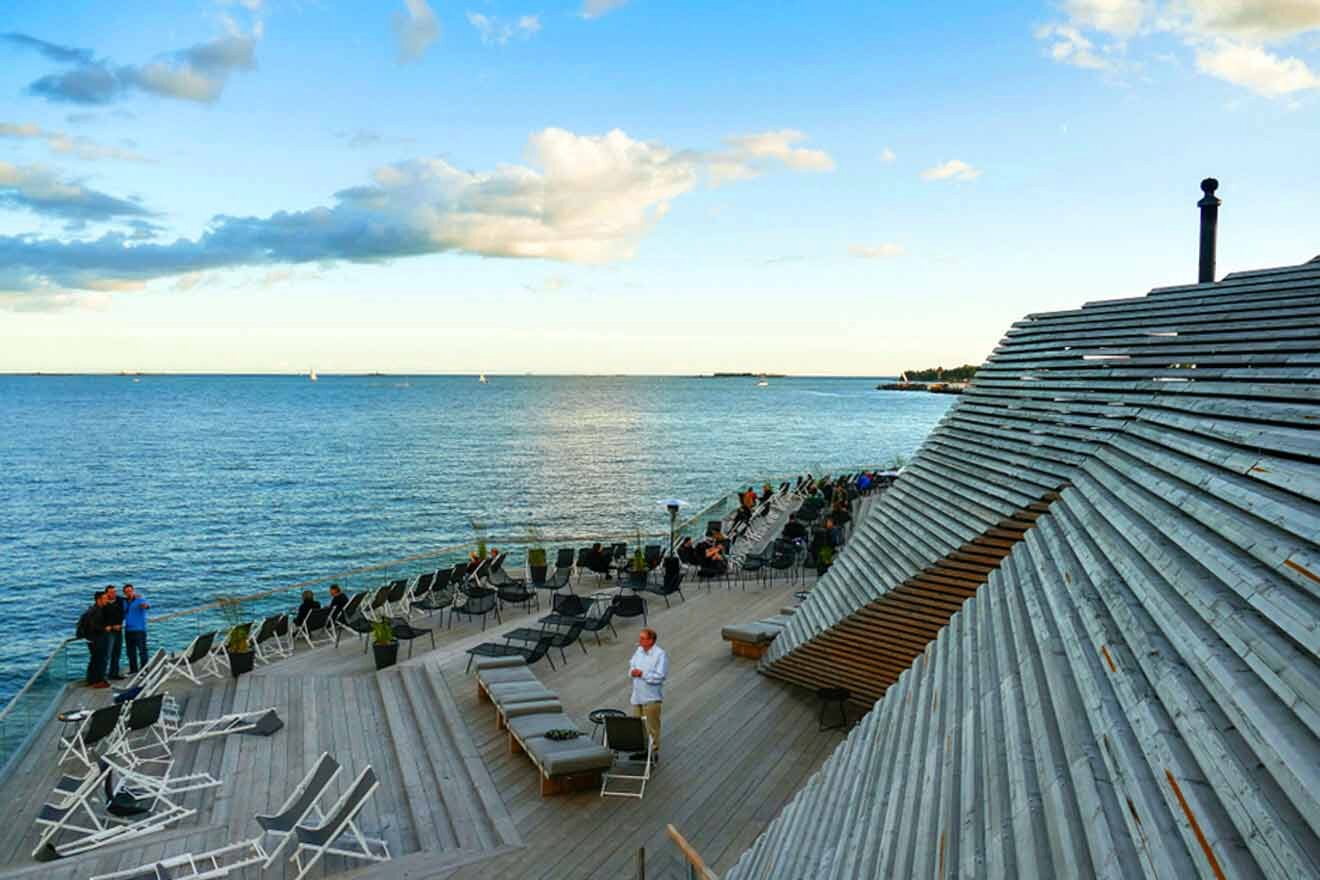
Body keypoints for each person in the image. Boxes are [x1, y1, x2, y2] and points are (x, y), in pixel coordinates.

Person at [628, 627, 668, 762]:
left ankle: (653, 753)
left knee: (652, 727)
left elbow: (660, 676)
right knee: (638, 727)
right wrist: (632, 671)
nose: (639, 641)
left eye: (642, 638)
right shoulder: (639, 651)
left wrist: (642, 674)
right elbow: (632, 664)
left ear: (651, 640)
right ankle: (642, 751)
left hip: (651, 697)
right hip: (637, 696)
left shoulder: (660, 654)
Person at [122, 583, 151, 675]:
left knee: (142, 651)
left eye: (130, 591)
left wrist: (145, 606)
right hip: (128, 630)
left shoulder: (140, 599)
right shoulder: (124, 602)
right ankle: (133, 670)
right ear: (124, 593)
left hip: (139, 630)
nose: (129, 593)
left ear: (133, 591)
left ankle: (144, 670)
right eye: (126, 592)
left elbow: (147, 606)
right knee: (130, 652)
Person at [102, 585, 126, 680]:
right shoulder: (103, 604)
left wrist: (136, 596)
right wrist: (111, 626)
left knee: (117, 652)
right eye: (111, 592)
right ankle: (102, 675)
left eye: (114, 592)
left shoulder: (119, 600)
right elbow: (100, 618)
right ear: (106, 593)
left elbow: (128, 598)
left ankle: (114, 673)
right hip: (109, 632)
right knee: (107, 654)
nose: (113, 594)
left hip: (118, 630)